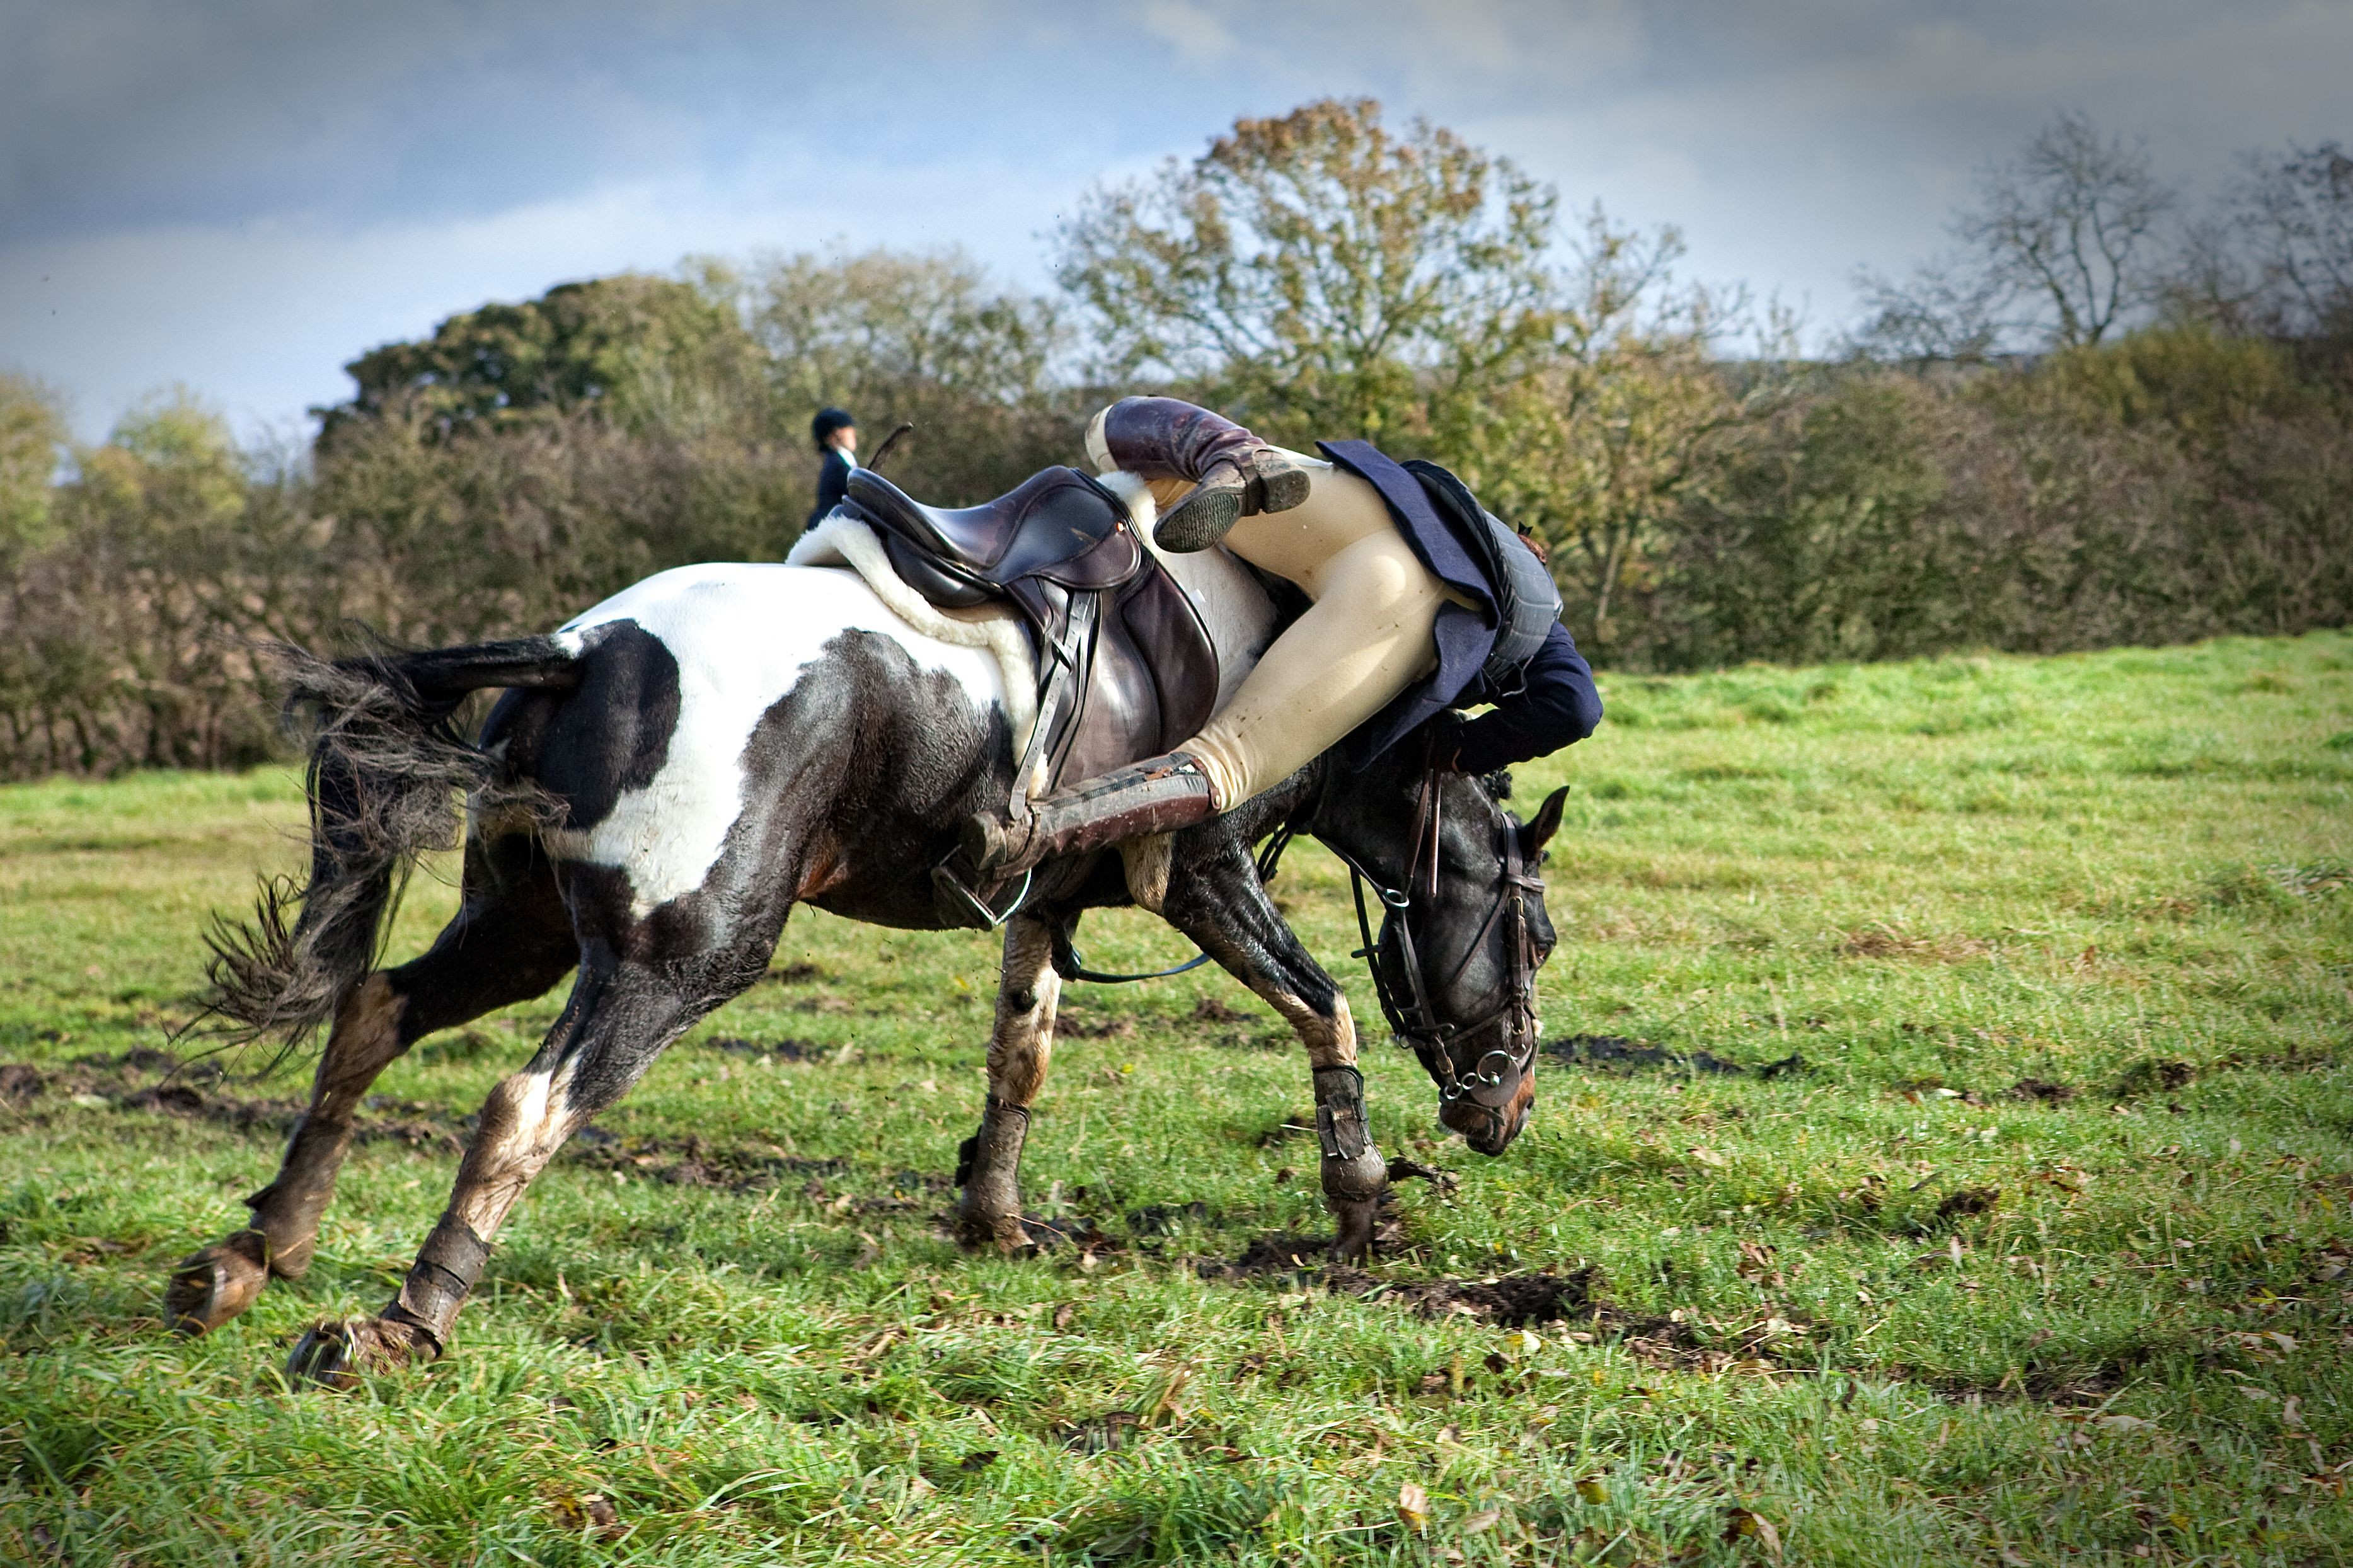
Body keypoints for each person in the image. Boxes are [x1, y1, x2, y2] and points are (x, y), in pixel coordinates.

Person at [962, 396, 1602, 878]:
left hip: (1369, 499)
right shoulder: (1542, 624)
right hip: (1397, 594)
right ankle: (1031, 831)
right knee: (1225, 763)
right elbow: (1574, 707)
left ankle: (1232, 455)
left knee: (1114, 436)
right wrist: (1457, 747)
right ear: (1530, 572)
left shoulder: (1455, 518)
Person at [805, 407, 858, 532]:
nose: (853, 433)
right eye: (848, 428)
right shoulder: (838, 466)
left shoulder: (837, 462)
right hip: (832, 529)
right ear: (835, 435)